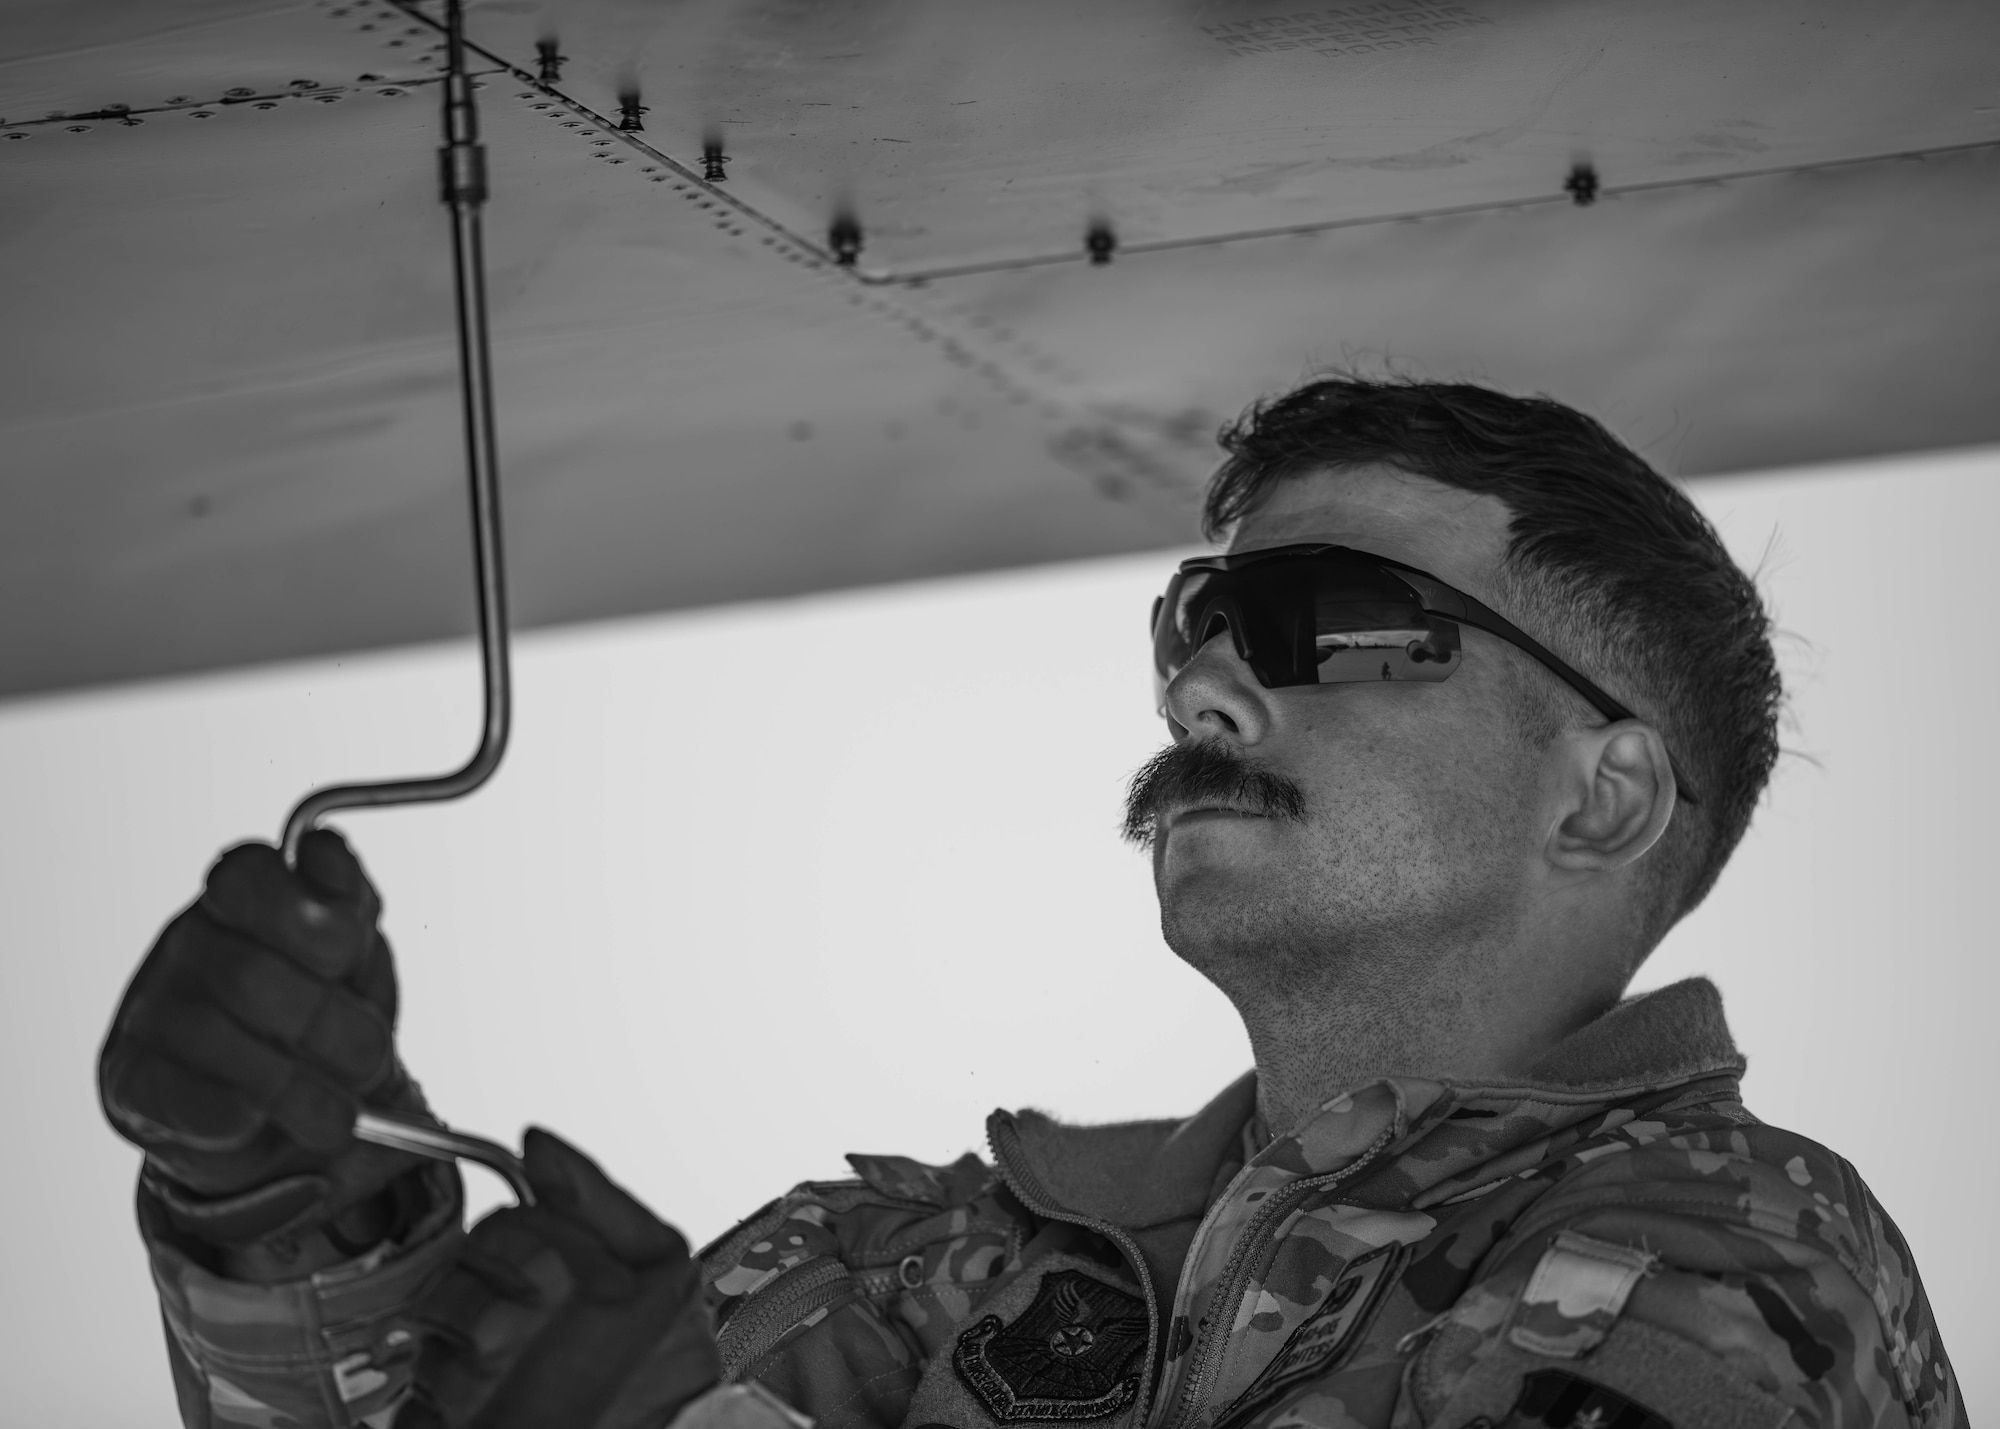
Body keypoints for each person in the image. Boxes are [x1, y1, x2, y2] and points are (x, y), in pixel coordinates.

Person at [100, 376, 1964, 1429]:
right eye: (1199, 621)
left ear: (1605, 790)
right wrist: (278, 1203)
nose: (1204, 688)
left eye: (1310, 621)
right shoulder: (919, 1259)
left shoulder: (1732, 1262)